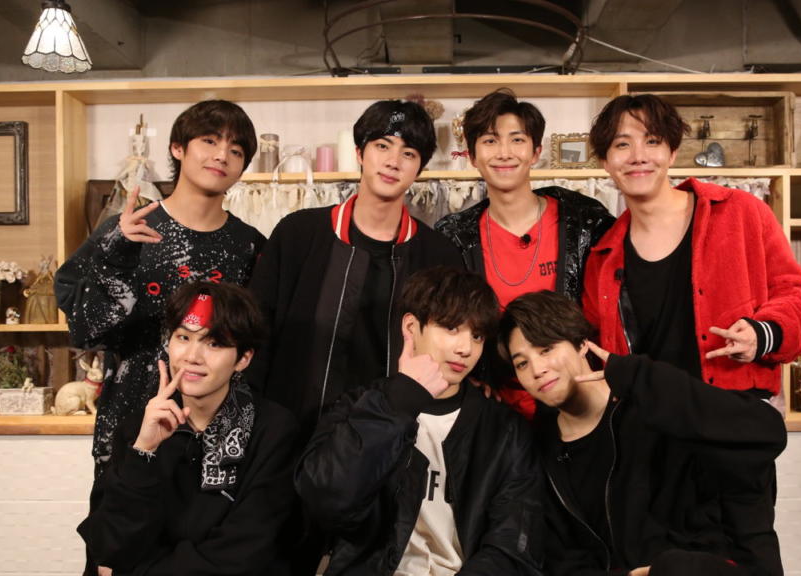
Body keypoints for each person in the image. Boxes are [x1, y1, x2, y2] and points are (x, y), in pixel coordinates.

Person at [583, 94, 801, 576]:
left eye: (651, 141)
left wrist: (762, 333)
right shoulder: (604, 257)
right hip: (649, 449)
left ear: (672, 150)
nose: (638, 156)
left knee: (746, 566)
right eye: (621, 145)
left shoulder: (741, 214)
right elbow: (597, 354)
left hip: (730, 432)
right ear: (605, 161)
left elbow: (798, 299)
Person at [499, 290, 787, 576]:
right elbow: (561, 563)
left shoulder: (654, 403)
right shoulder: (540, 452)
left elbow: (766, 433)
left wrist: (639, 377)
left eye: (546, 349)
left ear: (582, 343)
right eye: (522, 363)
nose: (537, 369)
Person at [56, 99, 266, 472]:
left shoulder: (249, 246)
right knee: (127, 507)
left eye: (236, 150)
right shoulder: (128, 230)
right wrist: (116, 256)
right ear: (178, 148)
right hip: (132, 423)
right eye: (210, 141)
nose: (222, 155)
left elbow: (256, 344)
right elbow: (86, 330)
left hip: (218, 435)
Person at [295, 267, 544, 576]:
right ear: (411, 327)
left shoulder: (505, 430)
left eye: (477, 335)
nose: (465, 349)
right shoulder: (358, 407)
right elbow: (327, 504)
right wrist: (399, 403)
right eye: (451, 327)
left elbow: (514, 545)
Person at [245, 98, 463, 438]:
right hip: (290, 432)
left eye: (408, 153)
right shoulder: (298, 234)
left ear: (419, 169)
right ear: (360, 152)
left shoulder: (439, 255)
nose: (392, 162)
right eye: (382, 146)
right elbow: (255, 329)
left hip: (391, 438)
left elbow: (454, 346)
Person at [78, 281, 299, 576]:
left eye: (214, 343)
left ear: (243, 358)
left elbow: (241, 557)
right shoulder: (137, 428)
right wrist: (143, 452)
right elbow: (108, 548)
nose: (192, 356)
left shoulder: (273, 431)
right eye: (183, 337)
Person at [435, 88, 614, 418]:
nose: (504, 153)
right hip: (494, 412)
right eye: (490, 141)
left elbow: (616, 308)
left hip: (581, 403)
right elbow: (442, 323)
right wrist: (466, 381)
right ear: (472, 156)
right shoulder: (453, 237)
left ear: (536, 153)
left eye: (517, 140)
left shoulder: (585, 223)